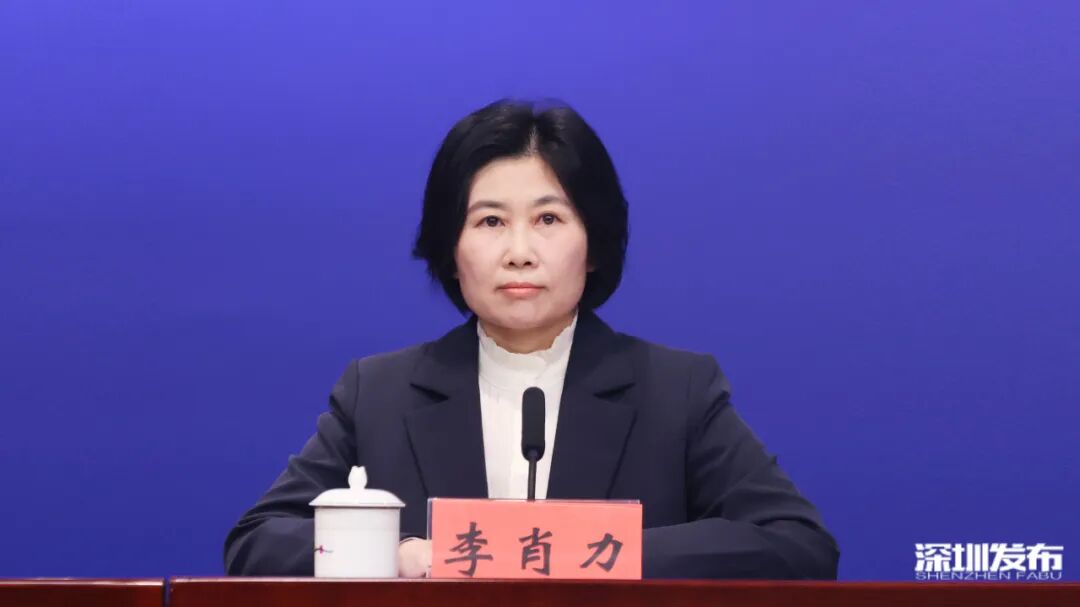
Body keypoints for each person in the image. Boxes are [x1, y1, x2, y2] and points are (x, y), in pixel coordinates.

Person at [224, 99, 839, 579]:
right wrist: (396, 553)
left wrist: (594, 553)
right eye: (490, 221)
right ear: (451, 249)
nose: (519, 252)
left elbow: (796, 543)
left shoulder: (675, 391)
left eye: (548, 219)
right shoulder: (378, 393)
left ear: (593, 245)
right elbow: (258, 541)